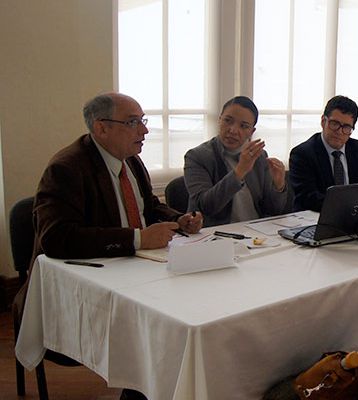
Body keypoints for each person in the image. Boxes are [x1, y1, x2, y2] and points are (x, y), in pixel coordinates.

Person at [17, 92, 203, 400]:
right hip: (83, 288)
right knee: (157, 328)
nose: (144, 131)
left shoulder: (131, 159)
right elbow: (57, 238)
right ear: (101, 128)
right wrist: (138, 238)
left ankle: (152, 385)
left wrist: (179, 219)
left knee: (179, 317)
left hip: (137, 272)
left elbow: (148, 207)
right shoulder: (66, 168)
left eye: (143, 121)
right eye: (133, 122)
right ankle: (146, 386)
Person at [184, 96, 287, 227]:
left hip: (256, 234)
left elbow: (273, 211)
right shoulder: (197, 156)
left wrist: (279, 186)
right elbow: (206, 207)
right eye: (228, 120)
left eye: (244, 126)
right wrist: (240, 171)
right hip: (216, 235)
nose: (233, 130)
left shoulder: (259, 156)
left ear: (251, 131)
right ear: (219, 120)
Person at [289, 95, 358, 212]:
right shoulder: (302, 154)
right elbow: (308, 199)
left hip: (353, 219)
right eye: (334, 124)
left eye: (346, 127)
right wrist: (352, 206)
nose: (339, 132)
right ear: (323, 121)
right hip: (315, 220)